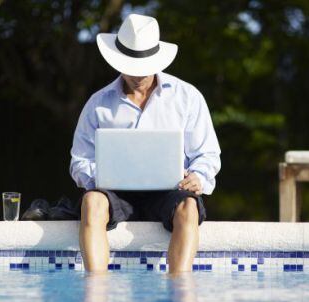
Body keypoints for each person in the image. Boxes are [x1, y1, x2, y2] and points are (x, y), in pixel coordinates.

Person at [69, 13, 221, 274]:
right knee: (91, 201)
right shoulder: (98, 103)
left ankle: (180, 291)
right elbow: (79, 160)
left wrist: (199, 177)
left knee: (189, 206)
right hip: (114, 195)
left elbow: (208, 154)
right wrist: (101, 177)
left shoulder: (187, 97)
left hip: (169, 193)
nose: (138, 75)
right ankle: (95, 292)